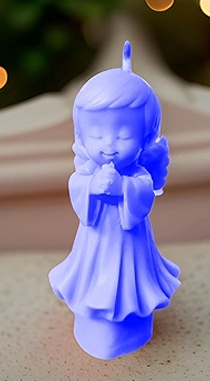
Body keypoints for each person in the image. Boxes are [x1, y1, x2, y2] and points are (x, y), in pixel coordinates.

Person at [49, 41, 181, 359]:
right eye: (96, 135)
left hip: (129, 242)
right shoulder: (88, 170)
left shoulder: (138, 174)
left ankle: (128, 331)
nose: (109, 144)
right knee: (91, 277)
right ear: (81, 136)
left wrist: (123, 189)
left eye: (123, 135)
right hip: (95, 241)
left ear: (146, 137)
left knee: (130, 283)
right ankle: (94, 327)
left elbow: (143, 195)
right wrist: (93, 187)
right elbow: (78, 187)